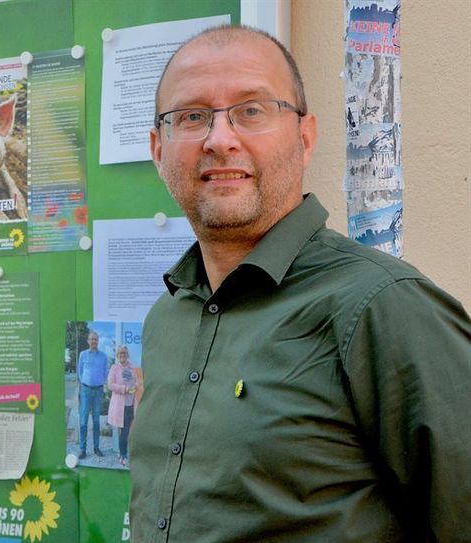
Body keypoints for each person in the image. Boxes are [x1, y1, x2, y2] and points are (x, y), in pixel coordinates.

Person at [129, 24, 471, 542]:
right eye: (192, 116)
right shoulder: (167, 317)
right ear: (158, 149)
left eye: (251, 110)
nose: (220, 139)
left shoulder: (382, 307)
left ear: (305, 138)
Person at [76, 330, 108, 459]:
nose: (94, 341)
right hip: (86, 390)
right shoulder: (83, 355)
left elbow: (106, 372)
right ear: (88, 341)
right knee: (83, 421)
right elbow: (80, 372)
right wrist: (85, 383)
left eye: (96, 339)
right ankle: (82, 449)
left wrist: (100, 382)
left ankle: (96, 448)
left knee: (96, 421)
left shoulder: (103, 356)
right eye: (92, 339)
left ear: (98, 341)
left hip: (98, 391)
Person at [106, 345, 138, 467]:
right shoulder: (114, 368)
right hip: (121, 406)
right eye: (120, 353)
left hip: (131, 404)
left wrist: (135, 386)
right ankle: (123, 456)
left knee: (127, 431)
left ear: (127, 355)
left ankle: (121, 453)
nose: (122, 355)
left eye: (124, 353)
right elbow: (110, 385)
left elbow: (136, 381)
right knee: (123, 432)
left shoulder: (131, 367)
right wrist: (125, 389)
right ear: (117, 356)